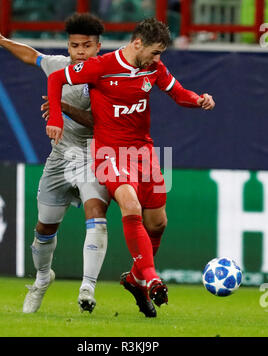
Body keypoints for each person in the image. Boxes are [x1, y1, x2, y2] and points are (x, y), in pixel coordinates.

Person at [46, 17, 215, 318]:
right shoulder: (101, 66)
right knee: (130, 203)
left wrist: (198, 99)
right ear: (138, 43)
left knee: (158, 224)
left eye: (161, 54)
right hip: (109, 152)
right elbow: (57, 79)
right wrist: (56, 119)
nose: (158, 59)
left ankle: (136, 279)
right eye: (155, 52)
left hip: (144, 152)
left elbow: (178, 93)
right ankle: (150, 276)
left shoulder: (154, 69)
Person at [0, 14, 111, 314]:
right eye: (75, 45)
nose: (80, 51)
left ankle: (87, 287)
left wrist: (61, 107)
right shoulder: (61, 66)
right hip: (59, 159)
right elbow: (32, 56)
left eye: (87, 46)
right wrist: (1, 41)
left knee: (96, 213)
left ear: (98, 47)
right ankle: (41, 279)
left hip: (93, 156)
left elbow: (101, 123)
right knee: (44, 229)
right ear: (69, 46)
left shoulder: (106, 78)